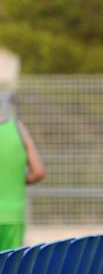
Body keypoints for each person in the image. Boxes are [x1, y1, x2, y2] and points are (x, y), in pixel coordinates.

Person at [0, 99, 46, 251]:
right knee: (9, 271)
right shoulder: (17, 128)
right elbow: (39, 172)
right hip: (13, 216)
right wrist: (18, 180)